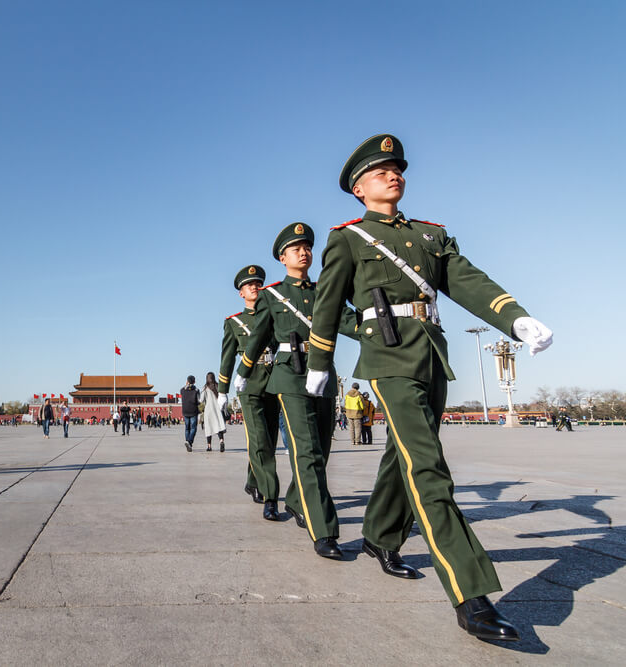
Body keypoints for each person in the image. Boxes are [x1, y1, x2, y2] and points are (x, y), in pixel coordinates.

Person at [305, 133, 553, 641]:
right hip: (388, 357)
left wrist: (516, 319)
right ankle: (470, 593)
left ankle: (379, 536)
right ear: (358, 189)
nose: (393, 175)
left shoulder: (431, 234)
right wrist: (319, 360)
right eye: (380, 171)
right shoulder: (348, 238)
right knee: (428, 467)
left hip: (432, 355)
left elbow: (466, 280)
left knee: (406, 452)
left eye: (397, 168)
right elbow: (327, 305)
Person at [233, 222, 358, 559]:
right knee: (306, 452)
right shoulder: (272, 296)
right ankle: (324, 531)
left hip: (323, 375)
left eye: (307, 247)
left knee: (323, 449)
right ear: (282, 257)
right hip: (289, 377)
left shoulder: (324, 291)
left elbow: (348, 322)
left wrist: (382, 327)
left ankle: (294, 498)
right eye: (295, 248)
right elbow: (258, 336)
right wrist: (242, 372)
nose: (303, 252)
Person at [217, 264, 280, 516]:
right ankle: (270, 497)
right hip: (250, 383)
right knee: (259, 439)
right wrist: (223, 390)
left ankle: (253, 480)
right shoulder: (234, 323)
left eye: (257, 283)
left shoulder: (275, 314)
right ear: (241, 293)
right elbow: (227, 358)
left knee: (270, 440)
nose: (254, 287)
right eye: (248, 285)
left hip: (275, 381)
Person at [200, 372, 226, 452]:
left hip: (209, 410)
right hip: (217, 409)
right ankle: (221, 441)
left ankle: (209, 446)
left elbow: (201, 400)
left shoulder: (205, 388)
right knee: (219, 427)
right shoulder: (218, 386)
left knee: (209, 428)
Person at [179, 375, 200, 451]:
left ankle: (188, 442)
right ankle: (189, 442)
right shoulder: (196, 390)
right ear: (194, 382)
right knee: (193, 427)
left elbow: (182, 390)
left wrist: (186, 385)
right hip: (193, 411)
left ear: (187, 381)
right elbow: (198, 401)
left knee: (187, 428)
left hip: (185, 411)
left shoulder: (182, 390)